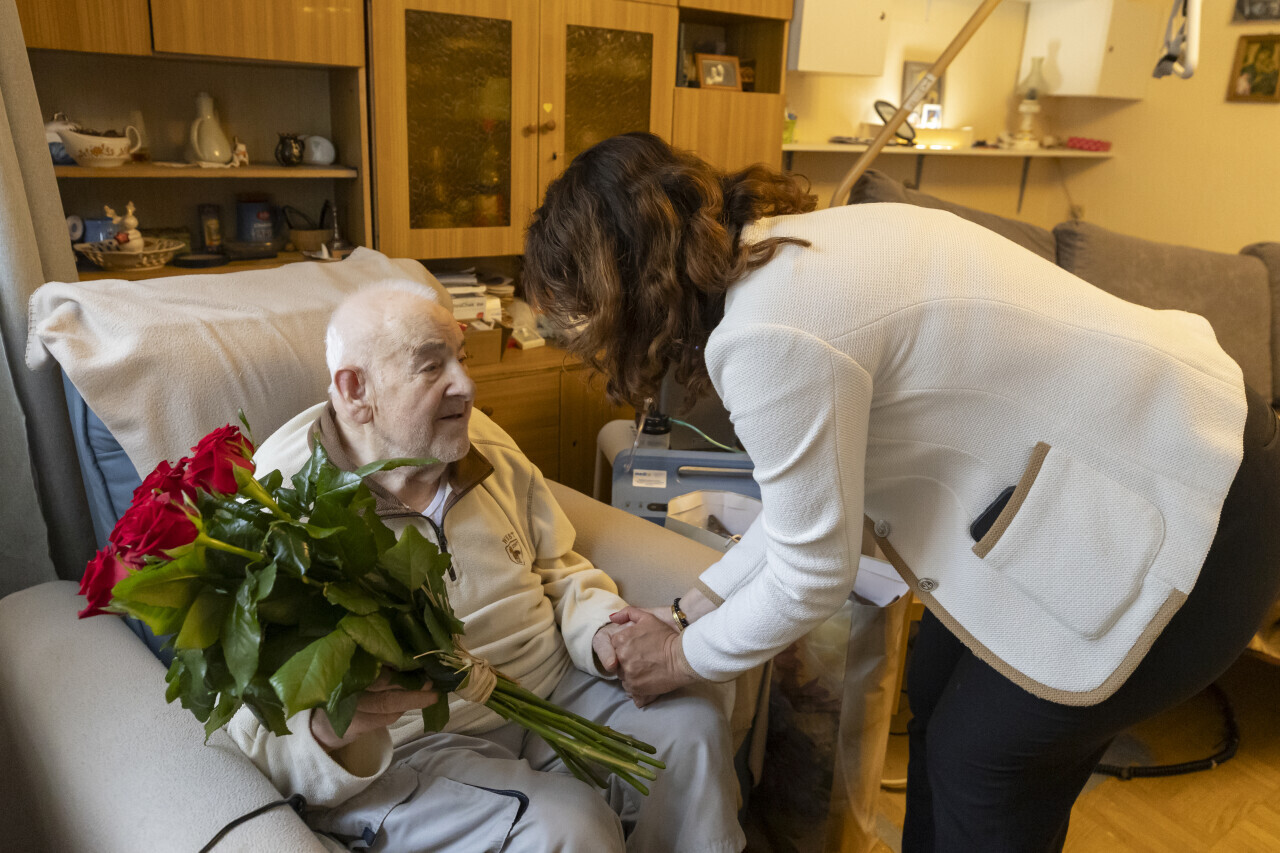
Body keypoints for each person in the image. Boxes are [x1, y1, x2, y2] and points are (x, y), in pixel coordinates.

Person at [520, 132, 1280, 852]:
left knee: (981, 769)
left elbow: (812, 574)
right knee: (937, 702)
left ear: (623, 289)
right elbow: (805, 521)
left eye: (576, 314)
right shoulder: (786, 254)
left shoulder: (767, 334)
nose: (573, 339)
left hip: (1198, 494)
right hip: (1126, 470)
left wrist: (681, 658)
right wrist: (688, 609)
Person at [227, 280, 745, 853]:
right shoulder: (280, 507)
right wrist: (325, 730)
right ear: (356, 391)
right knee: (569, 825)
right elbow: (251, 717)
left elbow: (560, 567)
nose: (467, 386)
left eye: (463, 358)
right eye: (432, 367)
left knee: (692, 731)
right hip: (416, 744)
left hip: (550, 692)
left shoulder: (485, 446)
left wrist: (602, 631)